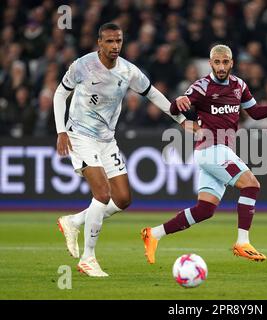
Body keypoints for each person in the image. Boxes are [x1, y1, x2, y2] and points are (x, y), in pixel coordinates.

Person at [140, 44, 267, 264]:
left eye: (225, 62)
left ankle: (153, 234)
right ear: (210, 62)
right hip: (211, 148)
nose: (221, 67)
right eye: (217, 62)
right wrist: (178, 103)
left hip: (219, 151)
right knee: (251, 185)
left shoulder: (239, 85)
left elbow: (254, 112)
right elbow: (175, 109)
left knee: (205, 210)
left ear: (232, 63)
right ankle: (243, 242)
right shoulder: (201, 86)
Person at [54, 23, 188, 277]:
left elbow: (153, 94)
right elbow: (60, 94)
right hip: (80, 136)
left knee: (123, 198)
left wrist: (182, 120)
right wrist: (61, 130)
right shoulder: (82, 65)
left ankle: (73, 221)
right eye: (109, 42)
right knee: (102, 193)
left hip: (106, 139)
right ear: (99, 43)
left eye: (119, 41)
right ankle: (88, 258)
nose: (115, 46)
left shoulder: (128, 71)